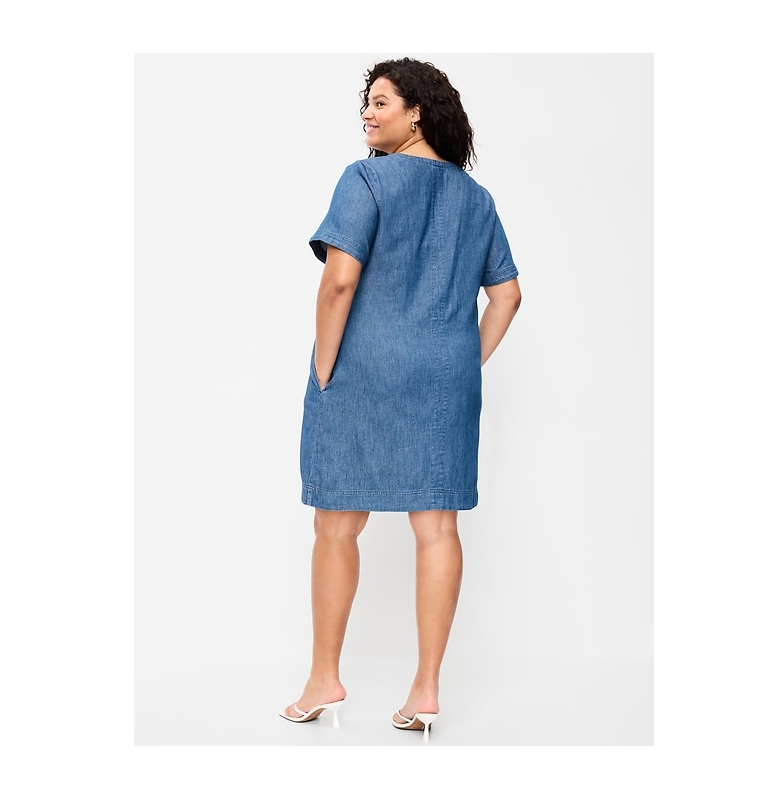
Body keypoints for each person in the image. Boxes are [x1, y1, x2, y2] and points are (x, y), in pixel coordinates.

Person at [280, 57, 522, 741]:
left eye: (381, 102)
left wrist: (324, 366)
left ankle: (324, 680)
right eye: (367, 102)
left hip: (363, 369)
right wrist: (460, 362)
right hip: (445, 377)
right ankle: (426, 690)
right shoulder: (477, 200)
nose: (368, 113)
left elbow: (338, 282)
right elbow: (507, 296)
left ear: (417, 111)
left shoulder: (365, 180)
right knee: (437, 528)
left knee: (336, 525)